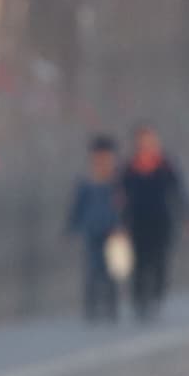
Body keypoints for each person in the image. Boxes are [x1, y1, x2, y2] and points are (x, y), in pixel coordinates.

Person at [119, 121, 189, 321]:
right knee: (138, 262)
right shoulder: (130, 167)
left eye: (149, 140)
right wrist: (119, 220)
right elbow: (120, 195)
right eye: (142, 140)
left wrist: (187, 215)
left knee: (159, 260)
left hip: (161, 219)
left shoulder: (166, 165)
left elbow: (180, 191)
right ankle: (139, 299)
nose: (146, 144)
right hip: (136, 220)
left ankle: (156, 296)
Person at [66, 135, 126, 323]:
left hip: (115, 231)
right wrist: (71, 226)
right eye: (98, 157)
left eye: (106, 157)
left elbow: (128, 207)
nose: (102, 161)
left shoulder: (120, 182)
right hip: (92, 230)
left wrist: (125, 226)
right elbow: (78, 206)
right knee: (93, 269)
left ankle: (111, 306)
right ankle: (91, 307)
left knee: (112, 270)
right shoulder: (87, 182)